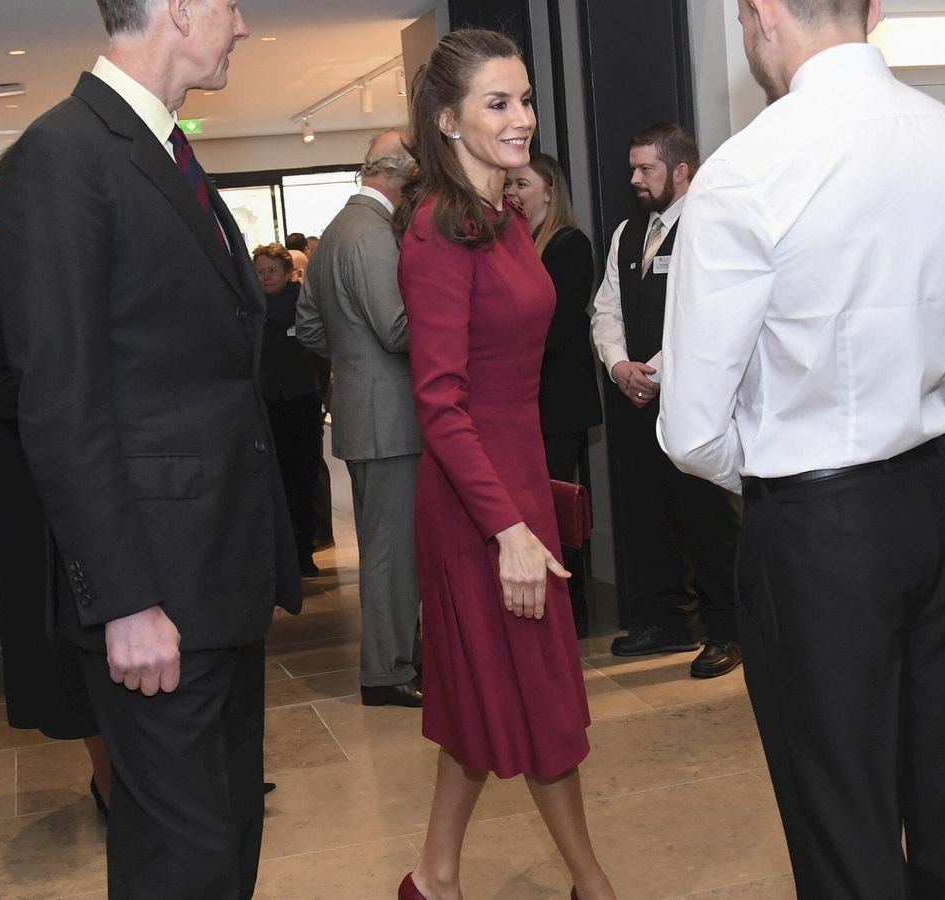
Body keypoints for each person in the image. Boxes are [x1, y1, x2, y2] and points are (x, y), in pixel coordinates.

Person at [657, 0, 945, 896]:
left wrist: (787, 477)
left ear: (761, 13)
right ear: (876, 10)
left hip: (819, 524)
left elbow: (693, 428)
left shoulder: (748, 169)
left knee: (841, 815)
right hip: (938, 493)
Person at [0, 0, 304, 895]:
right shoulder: (64, 154)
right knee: (193, 857)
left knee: (209, 842)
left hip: (216, 576)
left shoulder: (166, 150)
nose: (241, 27)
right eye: (232, 6)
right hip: (156, 590)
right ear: (178, 7)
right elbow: (61, 401)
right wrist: (122, 599)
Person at [393, 28, 615, 900]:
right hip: (477, 507)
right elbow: (440, 407)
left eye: (524, 99)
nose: (522, 117)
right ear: (447, 120)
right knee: (541, 706)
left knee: (497, 700)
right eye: (498, 102)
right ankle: (592, 884)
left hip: (514, 486)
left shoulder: (500, 215)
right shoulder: (438, 234)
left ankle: (433, 878)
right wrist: (510, 529)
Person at [0, 202, 112, 816]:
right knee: (69, 629)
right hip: (32, 465)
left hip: (103, 454)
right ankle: (109, 781)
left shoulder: (81, 247)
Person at [590, 123, 742, 679]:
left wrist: (655, 371)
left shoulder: (711, 228)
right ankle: (667, 623)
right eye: (633, 168)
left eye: (645, 168)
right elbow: (605, 309)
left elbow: (715, 316)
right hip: (634, 398)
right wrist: (618, 365)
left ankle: (728, 629)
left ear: (681, 170)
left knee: (707, 517)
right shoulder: (629, 232)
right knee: (647, 510)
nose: (634, 178)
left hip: (692, 397)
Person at [297, 129, 425, 708]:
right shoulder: (373, 234)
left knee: (387, 547)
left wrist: (352, 364)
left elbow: (310, 328)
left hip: (360, 407)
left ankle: (398, 658)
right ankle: (388, 670)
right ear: (399, 176)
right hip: (389, 416)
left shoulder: (332, 235)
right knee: (390, 552)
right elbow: (397, 329)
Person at [505, 151, 603, 637]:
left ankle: (572, 609)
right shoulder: (513, 244)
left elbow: (554, 328)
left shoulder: (569, 246)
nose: (514, 194)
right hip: (523, 404)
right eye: (510, 186)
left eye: (522, 184)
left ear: (549, 190)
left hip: (556, 403)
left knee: (558, 506)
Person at [255, 242, 326, 577]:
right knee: (277, 482)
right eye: (261, 272)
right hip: (268, 406)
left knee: (304, 479)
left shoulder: (305, 306)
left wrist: (321, 395)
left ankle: (304, 553)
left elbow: (320, 353)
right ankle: (282, 557)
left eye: (272, 270)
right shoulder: (251, 312)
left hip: (302, 401)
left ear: (286, 273)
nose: (267, 277)